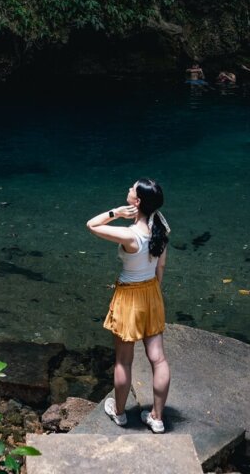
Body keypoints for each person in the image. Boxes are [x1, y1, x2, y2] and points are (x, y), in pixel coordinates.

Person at [86, 178, 171, 433]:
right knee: (158, 359)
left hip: (129, 298)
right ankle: (157, 417)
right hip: (151, 292)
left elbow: (91, 224)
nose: (128, 189)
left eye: (132, 189)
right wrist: (153, 292)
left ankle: (120, 413)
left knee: (123, 361)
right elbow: (161, 267)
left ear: (138, 201)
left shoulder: (129, 235)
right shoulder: (161, 229)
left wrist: (116, 213)